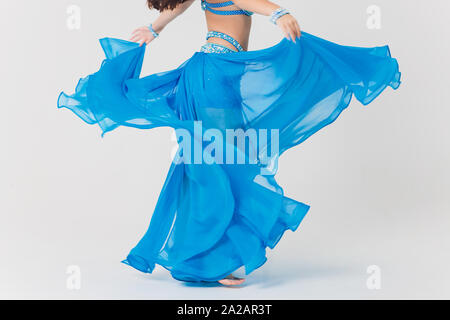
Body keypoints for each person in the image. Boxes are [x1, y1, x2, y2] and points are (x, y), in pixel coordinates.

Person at [58, 0, 401, 286]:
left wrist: (155, 27)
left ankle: (208, 253)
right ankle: (206, 261)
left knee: (215, 163)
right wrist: (278, 12)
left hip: (216, 73)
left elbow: (179, 5)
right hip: (214, 74)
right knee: (218, 165)